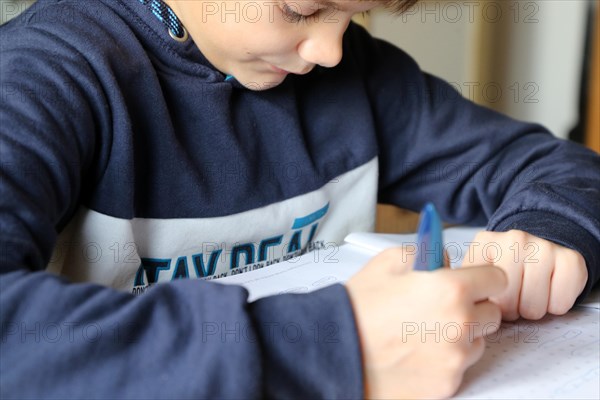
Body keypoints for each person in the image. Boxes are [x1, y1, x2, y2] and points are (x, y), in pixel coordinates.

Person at [1, 0, 598, 398]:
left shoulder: (356, 77)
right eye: (303, 8)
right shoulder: (41, 78)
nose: (330, 50)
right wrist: (331, 346)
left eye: (354, 12)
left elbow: (560, 169)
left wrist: (547, 233)